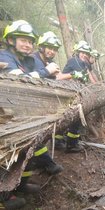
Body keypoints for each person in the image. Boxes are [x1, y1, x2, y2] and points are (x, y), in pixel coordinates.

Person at [0, 20, 63, 209]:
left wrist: (46, 74)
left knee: (27, 151)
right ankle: (3, 198)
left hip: (21, 114)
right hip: (5, 116)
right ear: (11, 40)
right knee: (6, 155)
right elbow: (17, 81)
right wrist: (45, 71)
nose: (27, 45)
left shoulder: (28, 60)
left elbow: (35, 81)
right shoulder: (3, 56)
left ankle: (20, 186)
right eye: (23, 40)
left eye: (30, 41)